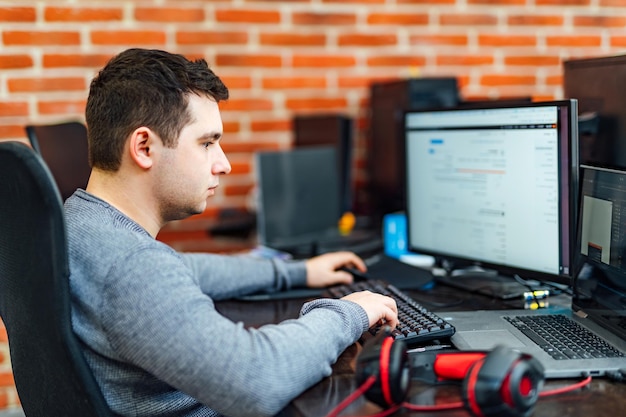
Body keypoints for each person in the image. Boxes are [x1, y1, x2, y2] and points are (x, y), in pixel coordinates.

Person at [65, 48, 399, 417]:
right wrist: (348, 313)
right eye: (207, 143)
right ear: (144, 147)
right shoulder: (129, 265)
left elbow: (183, 269)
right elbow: (257, 378)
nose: (222, 164)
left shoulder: (79, 222)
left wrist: (299, 272)